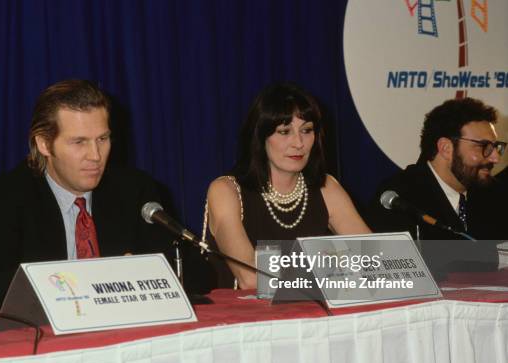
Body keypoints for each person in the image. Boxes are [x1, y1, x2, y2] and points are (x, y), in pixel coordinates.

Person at [0, 79, 171, 310]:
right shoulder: (1, 200)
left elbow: (185, 274)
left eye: (102, 139)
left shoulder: (136, 190)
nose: (95, 155)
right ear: (45, 144)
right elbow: (1, 295)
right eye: (79, 142)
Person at [204, 83, 371, 289]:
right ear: (260, 137)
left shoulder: (327, 187)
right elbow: (251, 277)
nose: (299, 143)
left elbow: (374, 261)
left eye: (307, 130)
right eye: (284, 131)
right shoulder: (226, 190)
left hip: (316, 317)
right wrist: (332, 266)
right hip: (247, 319)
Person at [366, 97, 506, 241]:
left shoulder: (497, 195)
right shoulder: (400, 201)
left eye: (496, 147)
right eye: (484, 147)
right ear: (446, 148)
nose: (495, 158)